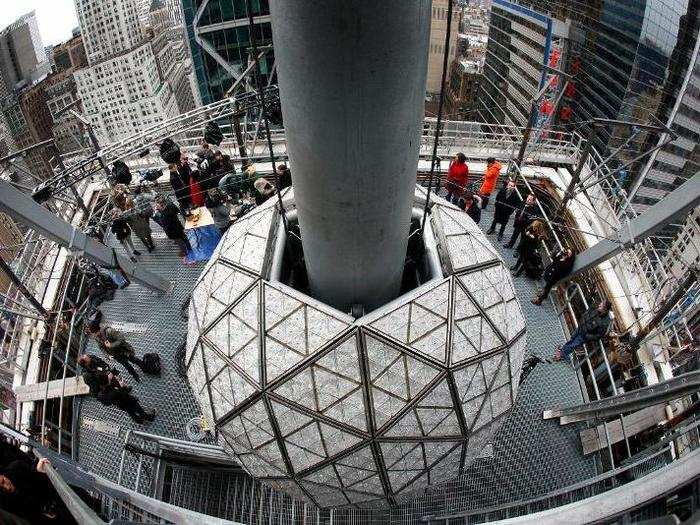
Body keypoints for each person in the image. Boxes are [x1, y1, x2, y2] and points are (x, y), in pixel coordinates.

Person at [114, 188, 155, 252]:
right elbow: (142, 214)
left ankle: (148, 248)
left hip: (136, 227)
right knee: (148, 235)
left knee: (142, 237)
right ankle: (151, 245)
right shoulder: (136, 209)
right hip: (142, 223)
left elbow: (123, 218)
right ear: (132, 204)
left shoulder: (126, 214)